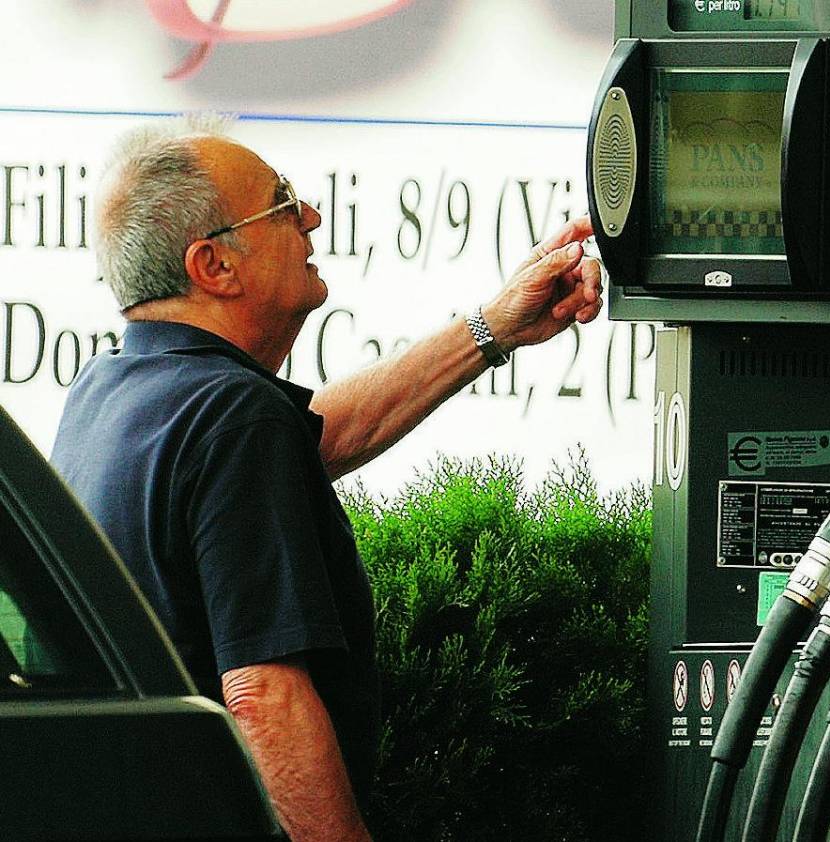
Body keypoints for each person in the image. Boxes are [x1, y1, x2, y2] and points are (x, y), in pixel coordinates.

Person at [49, 116, 603, 842]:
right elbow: (262, 696)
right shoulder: (233, 416)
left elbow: (321, 434)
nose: (310, 216)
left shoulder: (118, 390)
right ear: (214, 266)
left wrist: (493, 326)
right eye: (283, 203)